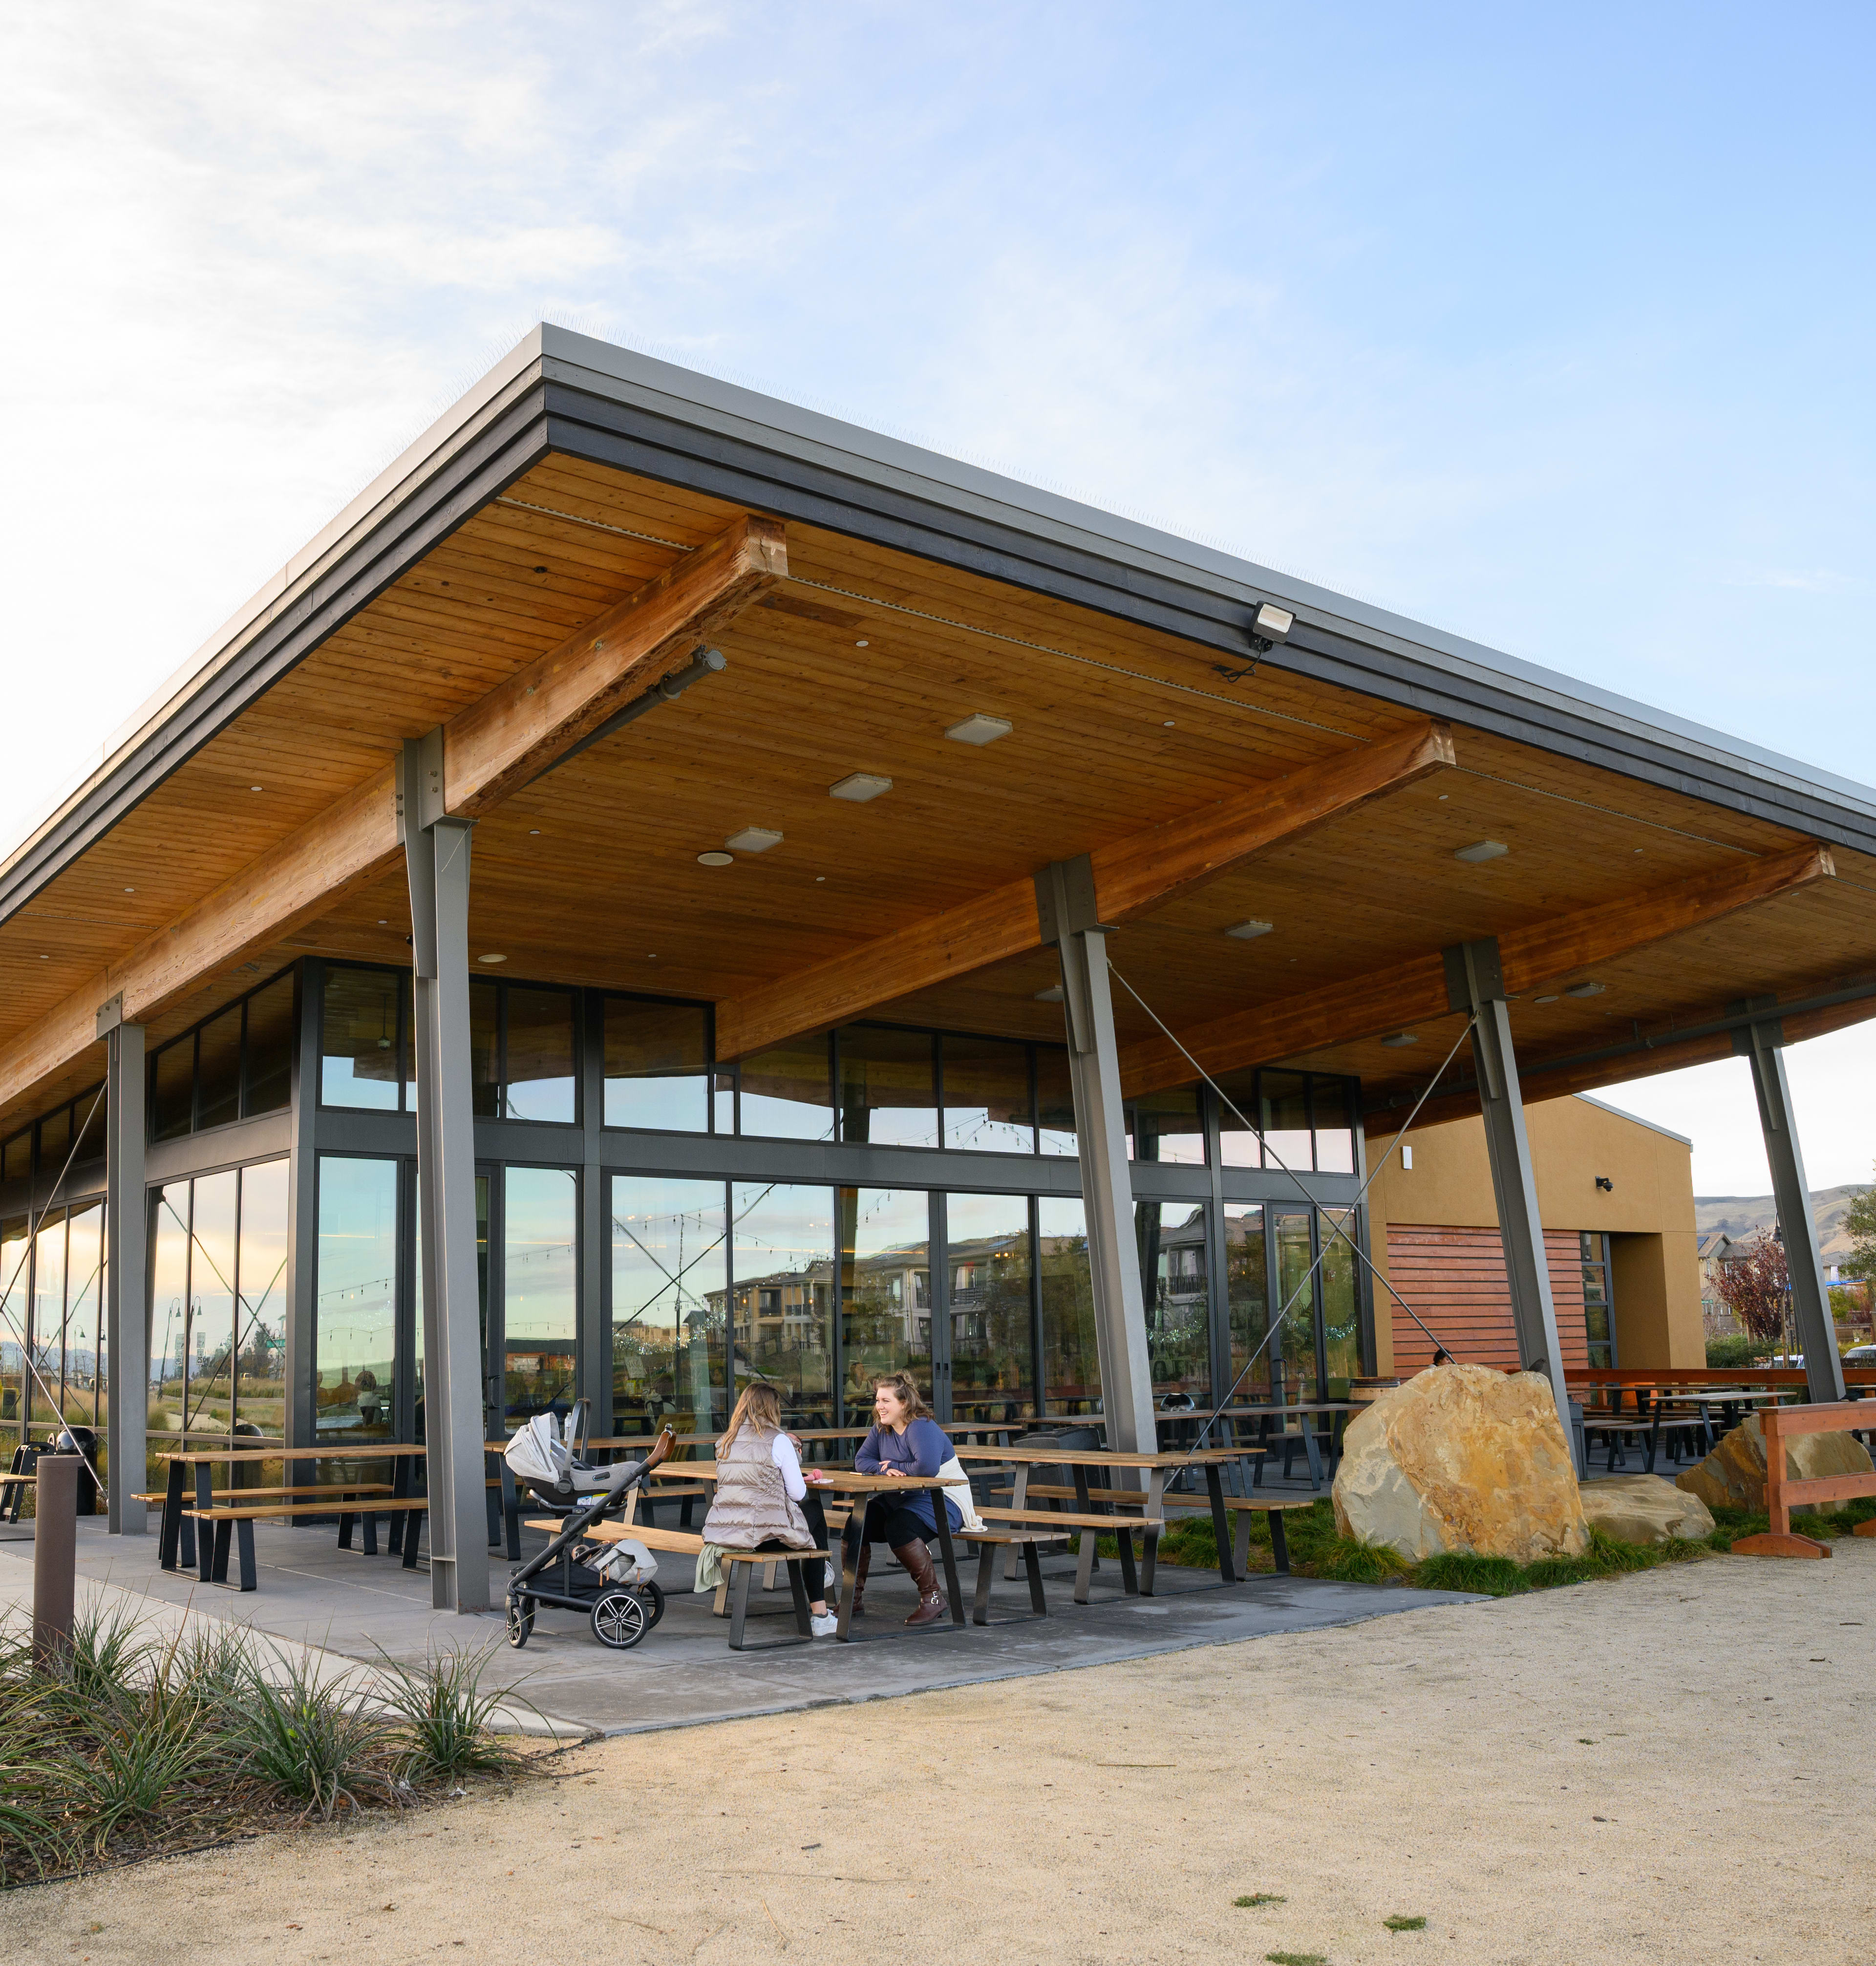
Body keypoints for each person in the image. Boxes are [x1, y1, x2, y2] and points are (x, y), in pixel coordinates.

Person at [698, 1382, 838, 1637]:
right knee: (815, 1511)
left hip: (727, 1535)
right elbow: (798, 1494)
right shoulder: (778, 1440)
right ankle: (820, 1610)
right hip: (764, 1536)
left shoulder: (725, 1441)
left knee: (811, 1533)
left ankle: (823, 1578)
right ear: (772, 1409)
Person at [850, 1372, 964, 1626]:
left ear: (904, 1404)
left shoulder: (920, 1426)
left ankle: (933, 1599)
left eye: (886, 1400)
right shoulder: (882, 1428)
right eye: (878, 1400)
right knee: (857, 1523)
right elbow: (861, 1460)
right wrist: (884, 1469)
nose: (879, 1406)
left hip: (943, 1498)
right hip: (903, 1497)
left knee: (900, 1526)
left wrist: (893, 1463)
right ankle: (852, 1600)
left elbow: (926, 1468)